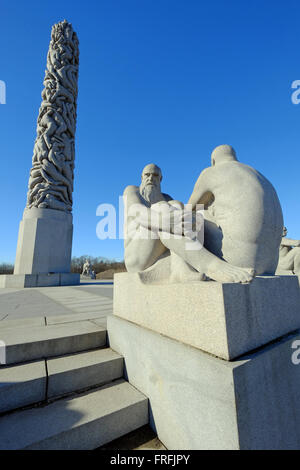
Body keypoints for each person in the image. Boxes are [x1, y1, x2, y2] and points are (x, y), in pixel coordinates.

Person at [124, 158, 256, 283]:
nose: (150, 179)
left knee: (177, 206)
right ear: (141, 177)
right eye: (147, 175)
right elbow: (137, 213)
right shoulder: (132, 191)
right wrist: (168, 222)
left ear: (161, 179)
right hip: (136, 256)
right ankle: (211, 265)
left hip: (157, 247)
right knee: (164, 209)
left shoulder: (166, 197)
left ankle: (182, 270)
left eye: (155, 176)